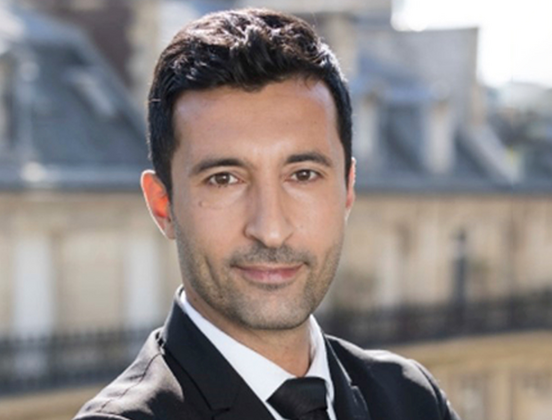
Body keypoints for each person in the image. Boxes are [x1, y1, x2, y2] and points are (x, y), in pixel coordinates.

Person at [74, 8, 460, 420]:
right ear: (162, 205)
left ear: (347, 189)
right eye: (224, 179)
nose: (271, 230)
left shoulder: (411, 399)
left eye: (303, 175)